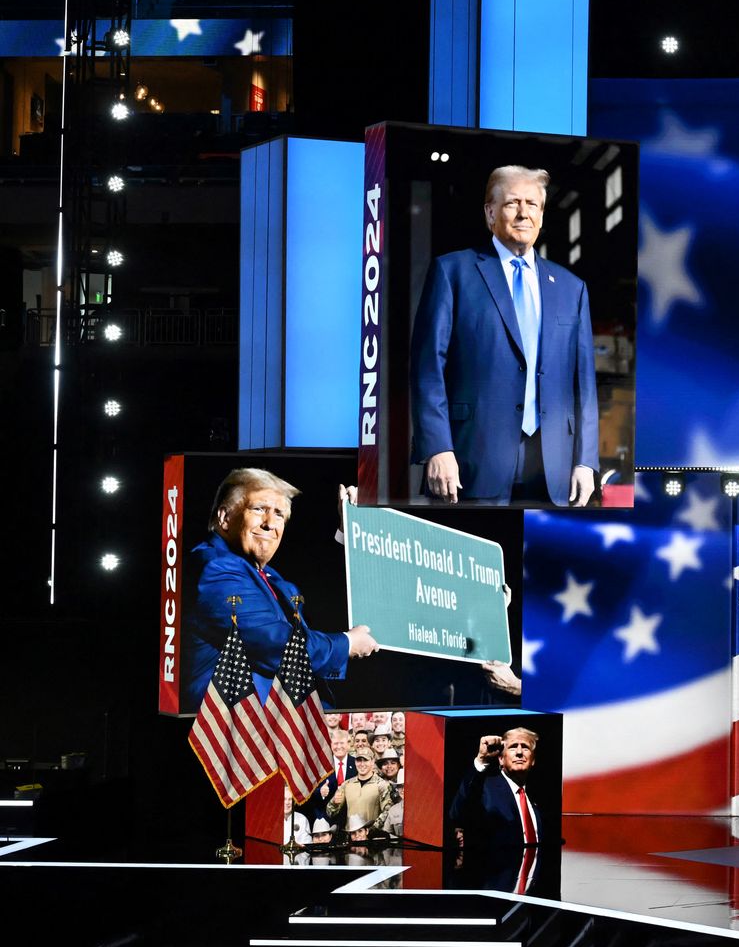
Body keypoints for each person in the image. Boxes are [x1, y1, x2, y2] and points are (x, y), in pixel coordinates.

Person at [412, 165, 599, 506]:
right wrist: (437, 446)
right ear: (490, 212)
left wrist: (586, 460)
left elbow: (583, 384)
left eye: (533, 204)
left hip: (553, 467)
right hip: (470, 460)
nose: (523, 213)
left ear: (542, 216)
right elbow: (427, 369)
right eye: (513, 202)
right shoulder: (453, 272)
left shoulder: (573, 289)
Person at [182, 469, 379, 708]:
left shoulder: (267, 575)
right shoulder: (217, 570)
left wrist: (349, 533)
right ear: (224, 518)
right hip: (246, 734)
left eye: (278, 514)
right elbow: (277, 645)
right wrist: (346, 644)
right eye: (258, 509)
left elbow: (322, 599)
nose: (269, 524)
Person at [450, 727, 554, 851]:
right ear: (501, 759)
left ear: (533, 760)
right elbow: (456, 814)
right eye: (513, 746)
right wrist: (481, 759)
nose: (519, 752)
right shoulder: (485, 788)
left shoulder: (540, 797)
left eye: (525, 747)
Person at [325, 750, 395, 843]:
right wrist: (334, 802)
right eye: (359, 760)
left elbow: (387, 811)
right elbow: (330, 813)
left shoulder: (382, 785)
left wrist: (370, 831)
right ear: (355, 762)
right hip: (351, 838)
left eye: (365, 760)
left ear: (372, 761)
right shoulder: (346, 784)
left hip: (372, 840)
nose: (362, 764)